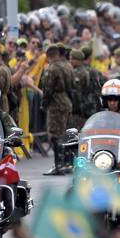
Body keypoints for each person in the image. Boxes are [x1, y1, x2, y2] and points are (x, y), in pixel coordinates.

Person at [40, 45, 74, 176]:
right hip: (66, 101)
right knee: (65, 134)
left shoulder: (52, 68)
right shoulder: (68, 66)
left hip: (55, 103)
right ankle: (66, 163)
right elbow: (72, 86)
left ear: (49, 56)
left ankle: (58, 165)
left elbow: (47, 89)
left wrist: (44, 104)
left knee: (55, 135)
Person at [68, 50, 92, 130]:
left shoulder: (80, 73)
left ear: (79, 60)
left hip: (78, 107)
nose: (70, 61)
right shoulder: (80, 71)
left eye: (73, 59)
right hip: (79, 106)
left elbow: (76, 92)